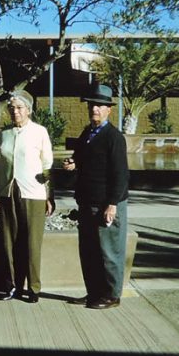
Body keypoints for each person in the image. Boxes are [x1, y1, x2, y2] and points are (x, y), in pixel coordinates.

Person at [63, 83, 129, 309]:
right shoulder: (87, 133)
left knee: (109, 253)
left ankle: (112, 295)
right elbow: (81, 157)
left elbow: (121, 175)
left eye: (100, 106)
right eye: (92, 105)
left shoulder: (114, 137)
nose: (95, 109)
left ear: (109, 110)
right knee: (89, 252)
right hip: (87, 203)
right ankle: (93, 292)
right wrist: (73, 163)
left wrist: (112, 204)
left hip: (106, 204)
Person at [0, 89, 54, 303]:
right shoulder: (5, 134)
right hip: (7, 192)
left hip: (33, 193)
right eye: (12, 108)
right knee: (8, 242)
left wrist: (48, 196)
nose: (15, 112)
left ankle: (33, 288)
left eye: (19, 108)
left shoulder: (39, 132)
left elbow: (47, 166)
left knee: (32, 243)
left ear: (29, 110)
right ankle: (12, 287)